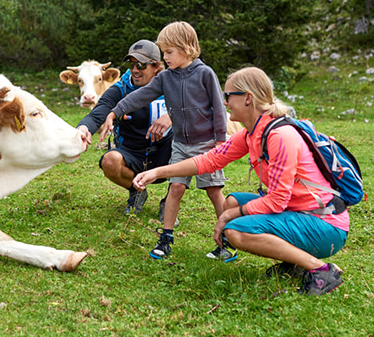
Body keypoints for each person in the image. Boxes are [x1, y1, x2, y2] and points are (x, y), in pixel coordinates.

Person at [133, 67, 349, 296]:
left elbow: (276, 201)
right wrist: (158, 172)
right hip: (299, 212)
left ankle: (322, 270)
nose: (224, 103)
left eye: (228, 96)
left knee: (235, 231)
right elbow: (209, 161)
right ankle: (295, 263)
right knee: (232, 202)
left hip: (326, 223)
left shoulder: (279, 136)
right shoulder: (253, 132)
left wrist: (227, 217)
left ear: (248, 98)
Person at [104, 22, 227, 259]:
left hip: (207, 146)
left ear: (186, 49)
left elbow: (218, 108)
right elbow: (139, 96)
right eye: (163, 53)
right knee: (176, 188)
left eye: (169, 52)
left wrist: (220, 143)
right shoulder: (166, 78)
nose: (165, 58)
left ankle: (226, 240)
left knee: (213, 190)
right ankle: (166, 238)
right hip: (180, 144)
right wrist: (115, 111)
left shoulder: (205, 74)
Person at [76, 40, 174, 215]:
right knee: (109, 161)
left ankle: (170, 202)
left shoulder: (172, 86)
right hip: (132, 153)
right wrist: (84, 128)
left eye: (142, 65)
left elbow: (197, 110)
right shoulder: (121, 88)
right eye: (132, 64)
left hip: (166, 154)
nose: (135, 70)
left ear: (156, 67)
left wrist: (172, 117)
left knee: (190, 149)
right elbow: (98, 113)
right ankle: (137, 191)